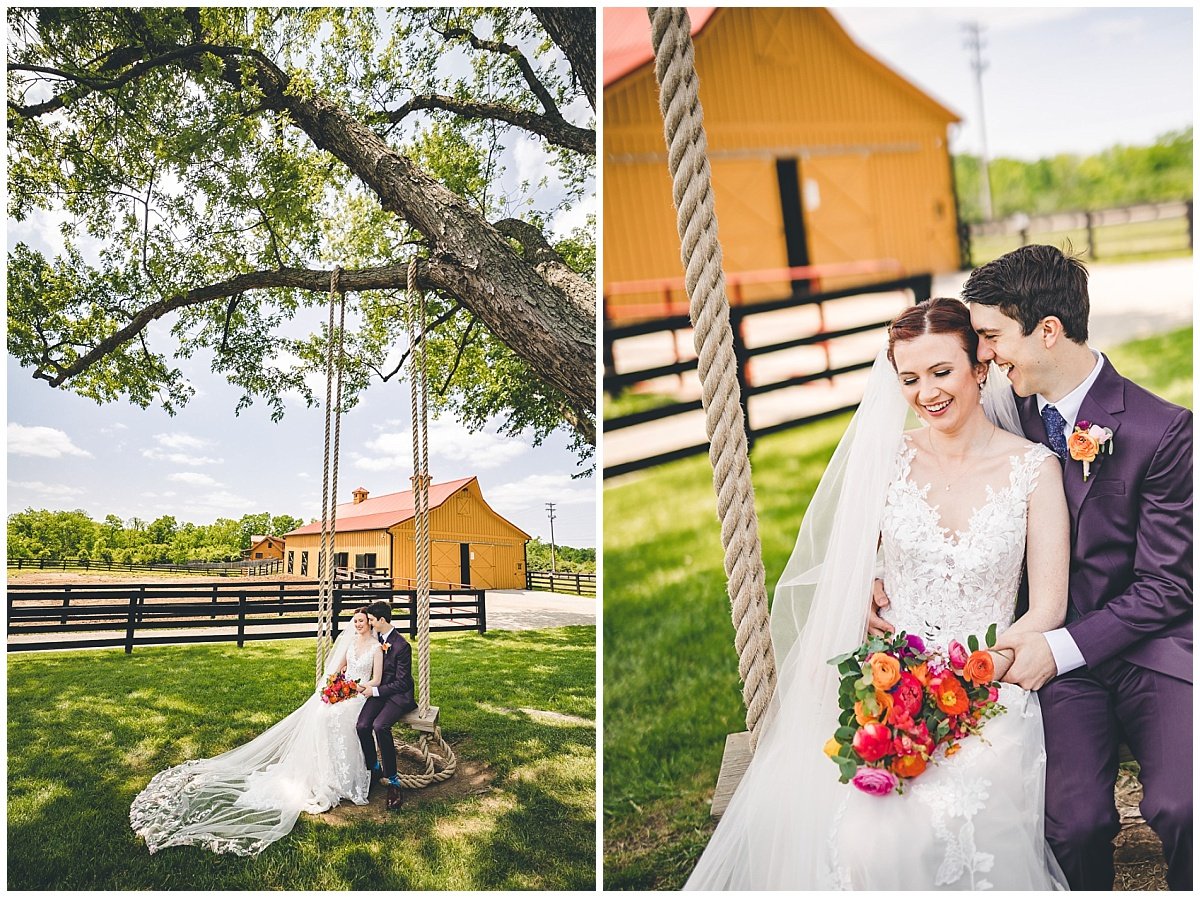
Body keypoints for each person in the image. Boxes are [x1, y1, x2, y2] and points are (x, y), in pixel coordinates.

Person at [685, 298, 1071, 889]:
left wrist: (975, 676)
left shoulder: (1033, 469)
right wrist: (864, 578)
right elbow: (848, 563)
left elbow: (1047, 608)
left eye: (943, 372)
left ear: (980, 368)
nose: (928, 393)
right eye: (910, 378)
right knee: (869, 836)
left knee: (951, 822)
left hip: (993, 690)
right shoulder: (887, 461)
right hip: (888, 685)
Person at [959, 245, 1190, 890]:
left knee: (1184, 806)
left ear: (1048, 331)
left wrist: (1059, 648)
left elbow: (1170, 586)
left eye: (992, 335)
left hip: (1152, 653)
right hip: (1065, 677)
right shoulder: (1004, 420)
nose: (984, 355)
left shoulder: (1163, 430)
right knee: (1073, 824)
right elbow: (934, 477)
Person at [130, 607, 384, 855]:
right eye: (356, 620)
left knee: (339, 716)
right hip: (343, 692)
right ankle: (325, 771)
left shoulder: (375, 648)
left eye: (362, 620)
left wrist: (355, 689)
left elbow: (376, 680)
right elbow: (336, 670)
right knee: (323, 713)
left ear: (370, 623)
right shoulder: (350, 644)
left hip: (359, 695)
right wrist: (334, 686)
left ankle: (348, 775)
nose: (358, 624)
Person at [356, 601, 417, 789]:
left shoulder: (402, 645)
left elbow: (402, 682)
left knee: (380, 726)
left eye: (372, 620)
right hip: (380, 692)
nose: (370, 623)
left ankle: (392, 778)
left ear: (382, 620)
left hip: (398, 695)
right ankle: (374, 767)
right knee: (362, 725)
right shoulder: (377, 638)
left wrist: (374, 690)